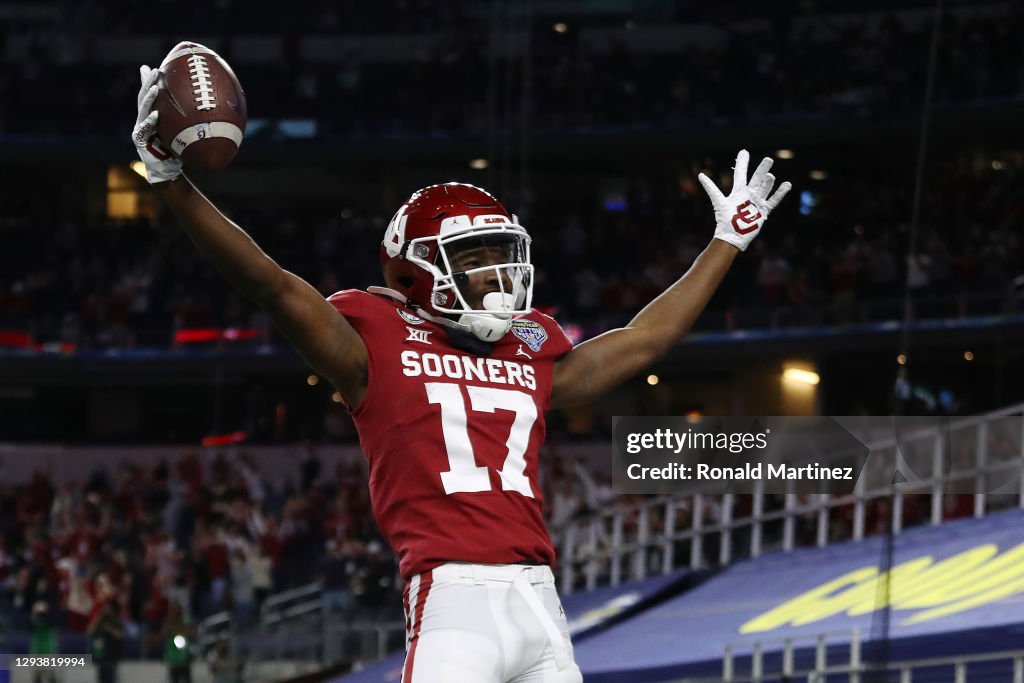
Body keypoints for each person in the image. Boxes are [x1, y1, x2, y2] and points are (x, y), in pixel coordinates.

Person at [132, 64, 790, 682]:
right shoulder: (373, 342)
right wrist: (171, 181)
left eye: (502, 255)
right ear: (414, 268)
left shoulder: (528, 350)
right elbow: (270, 286)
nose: (497, 275)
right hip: (452, 596)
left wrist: (725, 243)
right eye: (473, 257)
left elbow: (644, 340)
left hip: (540, 597)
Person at [88, 601, 124, 683]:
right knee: (101, 677)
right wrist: (97, 618)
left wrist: (109, 629)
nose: (106, 610)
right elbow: (89, 632)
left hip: (111, 656)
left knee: (110, 678)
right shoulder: (99, 622)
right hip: (100, 655)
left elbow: (120, 635)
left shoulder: (115, 621)